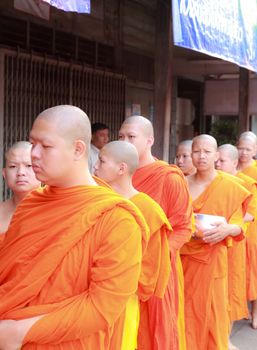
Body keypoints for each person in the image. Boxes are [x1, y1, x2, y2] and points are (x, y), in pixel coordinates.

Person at [0, 105, 147, 350]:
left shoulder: (116, 219)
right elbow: (12, 273)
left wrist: (18, 332)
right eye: (32, 143)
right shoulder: (32, 204)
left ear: (78, 149)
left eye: (45, 146)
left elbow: (103, 307)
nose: (34, 154)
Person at [119, 116, 193, 350]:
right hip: (118, 266)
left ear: (149, 140)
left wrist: (150, 257)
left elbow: (183, 228)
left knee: (155, 331)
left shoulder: (168, 178)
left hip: (157, 268)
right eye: (121, 137)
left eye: (131, 137)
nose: (125, 141)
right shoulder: (115, 173)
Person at [94, 140, 172, 350]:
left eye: (101, 161)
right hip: (89, 296)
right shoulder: (95, 201)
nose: (95, 166)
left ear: (121, 168)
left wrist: (116, 281)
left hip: (123, 297)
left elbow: (151, 267)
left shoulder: (148, 209)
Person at [180, 134, 250, 350]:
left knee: (212, 314)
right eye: (197, 151)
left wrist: (229, 229)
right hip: (182, 258)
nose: (201, 156)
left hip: (213, 260)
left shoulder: (230, 185)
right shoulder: (181, 183)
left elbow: (239, 223)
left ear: (216, 156)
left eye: (207, 152)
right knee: (183, 314)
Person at [216, 143, 255, 350]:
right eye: (217, 160)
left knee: (230, 292)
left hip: (234, 242)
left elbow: (250, 213)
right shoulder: (208, 181)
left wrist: (228, 226)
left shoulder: (246, 183)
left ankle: (226, 338)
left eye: (222, 161)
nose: (218, 164)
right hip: (210, 244)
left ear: (234, 162)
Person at [237, 132, 257, 328]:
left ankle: (255, 311)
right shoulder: (231, 167)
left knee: (254, 269)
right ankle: (240, 308)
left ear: (255, 150)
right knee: (238, 270)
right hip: (234, 224)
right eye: (241, 148)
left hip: (252, 227)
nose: (243, 152)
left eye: (248, 149)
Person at [0, 141, 41, 237]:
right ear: (4, 174)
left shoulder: (56, 209)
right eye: (13, 166)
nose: (21, 172)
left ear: (41, 169)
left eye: (29, 166)